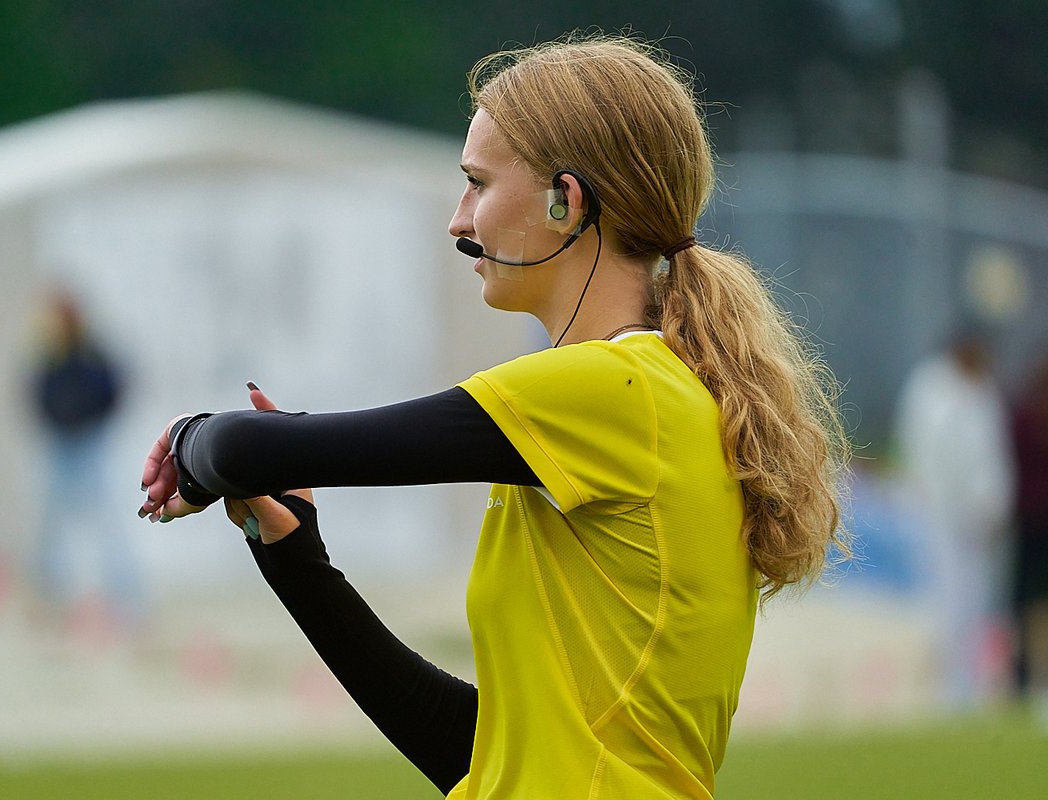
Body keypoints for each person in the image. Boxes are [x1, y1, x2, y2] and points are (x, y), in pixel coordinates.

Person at [138, 34, 850, 799]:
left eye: (477, 183)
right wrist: (296, 560)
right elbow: (484, 757)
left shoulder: (611, 389)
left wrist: (190, 439)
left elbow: (243, 447)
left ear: (565, 201)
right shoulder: (631, 399)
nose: (457, 219)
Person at [893, 331, 1015, 709]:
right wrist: (964, 505)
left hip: (978, 524)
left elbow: (992, 458)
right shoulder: (931, 389)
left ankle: (974, 689)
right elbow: (937, 460)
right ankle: (947, 693)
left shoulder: (983, 391)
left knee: (977, 605)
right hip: (939, 519)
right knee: (946, 605)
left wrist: (992, 507)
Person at [31, 288, 141, 634]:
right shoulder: (49, 354)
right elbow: (36, 393)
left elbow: (113, 387)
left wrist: (92, 422)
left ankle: (124, 595)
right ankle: (51, 595)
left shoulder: (92, 352)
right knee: (52, 525)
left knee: (108, 522)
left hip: (89, 444)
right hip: (61, 446)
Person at [1010, 356, 1048, 716]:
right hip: (1032, 522)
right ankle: (1027, 680)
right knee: (1029, 604)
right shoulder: (1024, 417)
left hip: (1034, 519)